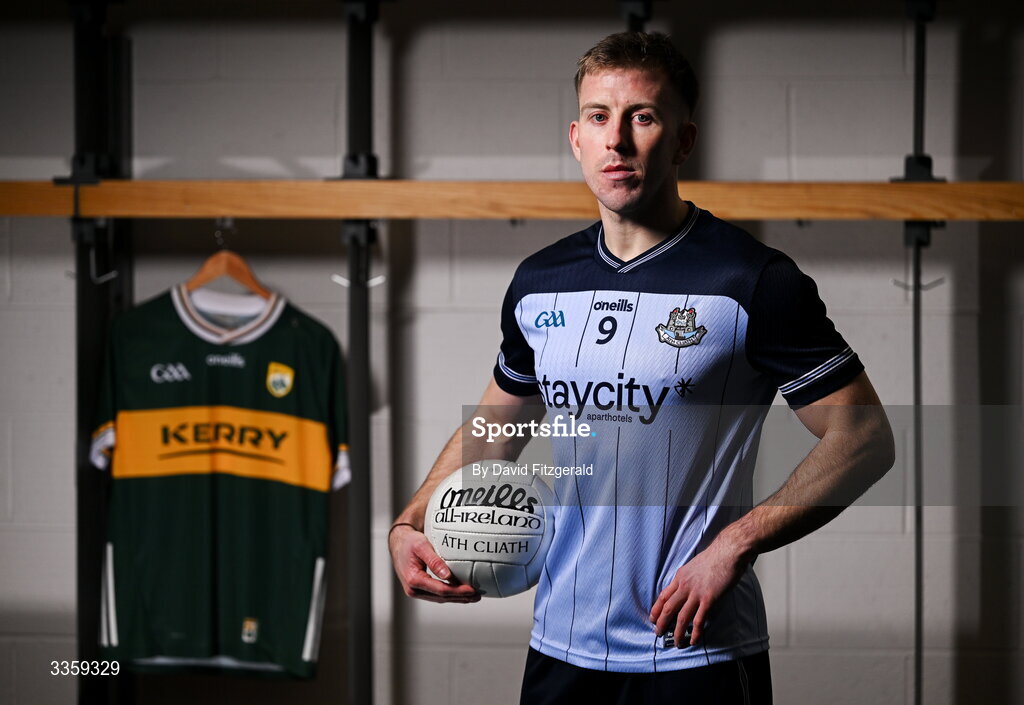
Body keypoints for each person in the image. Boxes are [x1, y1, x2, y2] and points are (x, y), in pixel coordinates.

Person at [388, 31, 895, 704]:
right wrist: (410, 520)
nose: (617, 141)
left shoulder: (752, 280)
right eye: (599, 117)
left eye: (643, 117)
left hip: (696, 650)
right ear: (576, 137)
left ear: (683, 140)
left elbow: (865, 436)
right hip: (560, 649)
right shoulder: (539, 282)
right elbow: (492, 431)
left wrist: (734, 546)